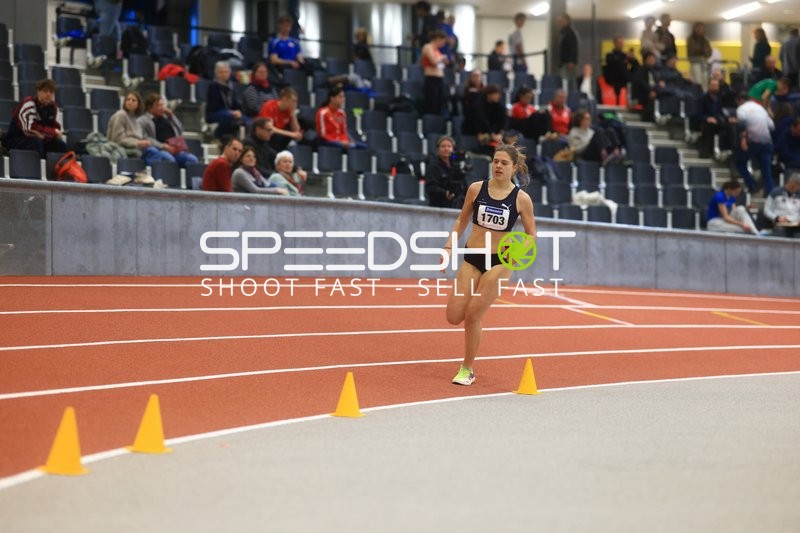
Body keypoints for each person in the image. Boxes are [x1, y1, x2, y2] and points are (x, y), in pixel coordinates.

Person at [441, 143, 536, 386]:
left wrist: (519, 252)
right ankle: (467, 360)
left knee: (473, 315)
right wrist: (449, 247)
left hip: (500, 262)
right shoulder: (476, 189)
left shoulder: (522, 199)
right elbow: (461, 221)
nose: (498, 166)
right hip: (472, 257)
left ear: (514, 167)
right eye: (495, 161)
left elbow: (531, 235)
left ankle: (467, 369)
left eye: (504, 163)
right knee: (453, 316)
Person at [1, 78, 68, 158]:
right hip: (16, 139)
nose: (48, 94)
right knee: (36, 142)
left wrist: (49, 133)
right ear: (38, 91)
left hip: (41, 140)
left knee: (60, 145)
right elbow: (30, 129)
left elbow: (57, 130)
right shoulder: (29, 104)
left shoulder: (53, 108)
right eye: (45, 91)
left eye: (51, 92)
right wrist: (52, 132)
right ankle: (36, 169)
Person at [107, 91, 175, 166]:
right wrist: (138, 143)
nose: (130, 102)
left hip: (138, 148)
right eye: (128, 99)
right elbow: (117, 139)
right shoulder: (120, 115)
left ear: (138, 104)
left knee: (164, 155)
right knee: (165, 158)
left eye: (133, 100)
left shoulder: (135, 118)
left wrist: (144, 142)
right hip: (124, 149)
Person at [137, 93, 199, 168]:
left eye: (162, 105)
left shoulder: (167, 118)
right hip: (158, 150)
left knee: (192, 160)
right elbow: (145, 138)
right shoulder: (142, 120)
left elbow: (180, 130)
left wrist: (172, 116)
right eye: (158, 105)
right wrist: (163, 146)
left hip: (174, 149)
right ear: (150, 107)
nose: (162, 108)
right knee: (169, 160)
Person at [735, 92, 775, 195]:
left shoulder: (741, 109)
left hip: (752, 142)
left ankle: (752, 185)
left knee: (740, 163)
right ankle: (770, 193)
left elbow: (742, 124)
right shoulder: (761, 108)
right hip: (767, 142)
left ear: (740, 100)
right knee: (766, 170)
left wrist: (743, 140)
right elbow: (771, 126)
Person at [206, 61, 249, 139]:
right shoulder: (213, 86)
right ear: (216, 73)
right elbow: (214, 106)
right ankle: (216, 137)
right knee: (228, 116)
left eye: (226, 72)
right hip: (214, 113)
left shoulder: (231, 87)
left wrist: (239, 111)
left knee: (248, 121)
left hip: (230, 112)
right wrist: (232, 112)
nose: (224, 74)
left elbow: (235, 104)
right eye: (221, 72)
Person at [462, 84, 506, 154]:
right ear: (489, 94)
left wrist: (501, 133)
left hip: (490, 132)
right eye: (496, 94)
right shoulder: (479, 104)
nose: (498, 96)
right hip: (474, 130)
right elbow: (482, 121)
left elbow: (503, 119)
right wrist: (492, 135)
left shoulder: (498, 104)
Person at [426, 136, 468, 208]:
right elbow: (431, 187)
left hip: (457, 204)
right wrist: (445, 193)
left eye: (449, 146)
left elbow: (463, 184)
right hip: (439, 204)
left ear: (453, 149)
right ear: (438, 149)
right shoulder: (433, 166)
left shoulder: (456, 165)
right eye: (443, 146)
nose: (446, 149)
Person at [259, 87, 302, 151]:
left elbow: (297, 131)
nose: (295, 104)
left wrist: (293, 115)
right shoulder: (269, 106)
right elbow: (270, 129)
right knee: (277, 137)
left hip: (280, 136)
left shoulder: (289, 110)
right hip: (267, 135)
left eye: (296, 101)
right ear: (284, 99)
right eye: (293, 101)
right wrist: (291, 134)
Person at [603, 37, 638, 105]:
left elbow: (637, 66)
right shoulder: (610, 55)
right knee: (620, 66)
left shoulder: (625, 55)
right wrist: (624, 61)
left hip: (624, 79)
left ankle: (633, 80)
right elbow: (612, 62)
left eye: (622, 43)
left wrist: (633, 59)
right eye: (619, 43)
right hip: (613, 78)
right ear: (614, 43)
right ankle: (631, 79)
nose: (621, 44)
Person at [421, 30, 448, 116]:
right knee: (432, 104)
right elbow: (433, 61)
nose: (443, 44)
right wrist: (442, 57)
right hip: (431, 79)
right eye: (443, 41)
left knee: (439, 104)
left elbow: (440, 64)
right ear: (438, 39)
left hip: (439, 79)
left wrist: (444, 60)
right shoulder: (428, 47)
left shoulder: (437, 51)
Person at [556, 14, 579, 92]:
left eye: (560, 21)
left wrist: (571, 61)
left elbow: (573, 47)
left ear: (566, 21)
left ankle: (572, 99)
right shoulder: (563, 33)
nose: (558, 23)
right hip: (564, 62)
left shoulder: (570, 33)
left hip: (568, 63)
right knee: (565, 82)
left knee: (569, 83)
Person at [687, 22, 712, 90]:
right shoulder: (691, 39)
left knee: (705, 80)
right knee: (697, 81)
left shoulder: (705, 40)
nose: (700, 30)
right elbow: (693, 50)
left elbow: (709, 52)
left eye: (701, 28)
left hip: (704, 62)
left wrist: (704, 52)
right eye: (698, 28)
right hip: (695, 62)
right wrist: (701, 51)